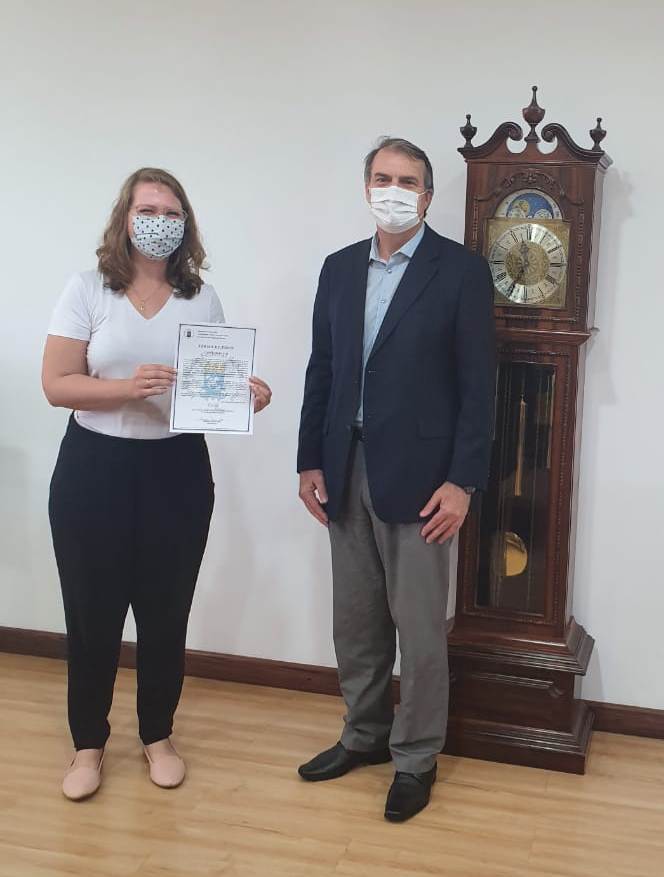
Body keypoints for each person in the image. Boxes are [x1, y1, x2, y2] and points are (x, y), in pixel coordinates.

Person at [42, 168, 272, 801]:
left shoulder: (202, 298)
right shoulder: (88, 290)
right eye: (148, 210)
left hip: (177, 470)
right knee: (91, 614)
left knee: (166, 612)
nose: (160, 223)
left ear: (185, 225)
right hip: (94, 469)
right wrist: (125, 388)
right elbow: (57, 384)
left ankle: (157, 736)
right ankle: (88, 744)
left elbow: (209, 389)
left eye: (173, 213)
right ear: (125, 217)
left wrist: (246, 398)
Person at [297, 138, 495, 822]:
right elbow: (322, 370)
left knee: (419, 629)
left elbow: (478, 387)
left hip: (422, 480)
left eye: (407, 181)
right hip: (343, 467)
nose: (394, 190)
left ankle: (415, 758)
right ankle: (364, 735)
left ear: (428, 196)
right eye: (382, 178)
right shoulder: (338, 269)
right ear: (366, 188)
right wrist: (308, 459)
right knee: (355, 623)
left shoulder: (461, 272)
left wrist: (463, 481)